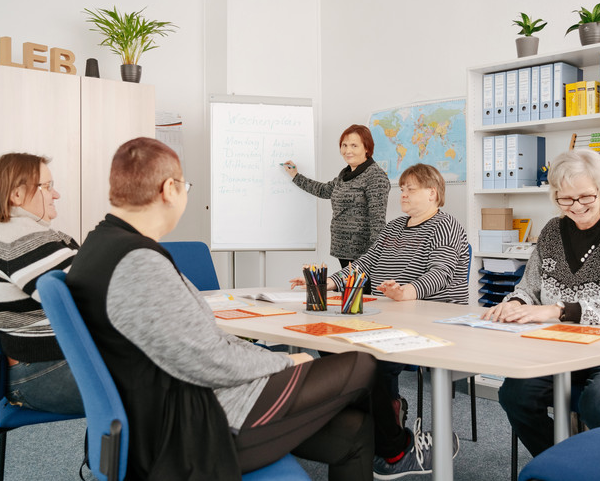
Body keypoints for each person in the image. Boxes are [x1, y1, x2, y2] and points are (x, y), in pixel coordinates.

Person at [66, 137, 376, 480]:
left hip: (172, 409)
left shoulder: (99, 245)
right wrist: (286, 362)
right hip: (194, 428)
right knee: (363, 360)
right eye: (185, 186)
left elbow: (194, 344)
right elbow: (209, 359)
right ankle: (399, 447)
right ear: (170, 189)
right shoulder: (137, 262)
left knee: (354, 432)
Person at [482, 149, 600, 457]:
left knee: (598, 403)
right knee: (515, 395)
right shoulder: (551, 232)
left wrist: (558, 310)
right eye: (565, 199)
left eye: (585, 197)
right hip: (566, 347)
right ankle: (565, 462)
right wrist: (516, 302)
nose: (577, 207)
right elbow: (529, 287)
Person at [292, 163, 469, 479]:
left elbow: (442, 274)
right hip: (390, 317)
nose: (402, 194)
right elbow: (363, 265)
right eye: (401, 188)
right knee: (337, 349)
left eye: (410, 188)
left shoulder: (446, 226)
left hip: (433, 321)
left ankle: (390, 443)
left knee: (366, 361)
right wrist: (326, 283)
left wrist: (408, 292)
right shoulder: (393, 228)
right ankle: (386, 432)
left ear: (433, 192)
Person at [0, 153, 83, 415]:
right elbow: (86, 297)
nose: (56, 195)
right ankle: (108, 455)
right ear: (16, 195)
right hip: (41, 372)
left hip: (43, 364)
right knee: (162, 384)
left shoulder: (8, 230)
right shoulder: (19, 239)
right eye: (47, 187)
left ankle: (108, 454)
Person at [284, 124, 390, 291]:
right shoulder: (345, 174)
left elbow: (378, 222)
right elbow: (324, 190)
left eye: (354, 145)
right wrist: (296, 176)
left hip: (362, 254)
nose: (348, 150)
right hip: (343, 249)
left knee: (361, 300)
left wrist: (373, 257)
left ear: (367, 148)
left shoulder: (375, 176)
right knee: (350, 298)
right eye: (344, 145)